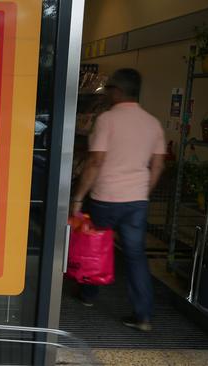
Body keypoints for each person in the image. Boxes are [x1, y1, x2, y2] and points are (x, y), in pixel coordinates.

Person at [70, 68, 166, 332]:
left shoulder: (107, 120)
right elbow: (158, 166)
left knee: (95, 245)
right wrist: (143, 193)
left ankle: (88, 295)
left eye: (110, 89)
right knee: (136, 256)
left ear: (118, 91)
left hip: (105, 197)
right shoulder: (153, 123)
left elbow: (95, 161)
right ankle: (143, 316)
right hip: (136, 201)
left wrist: (78, 197)